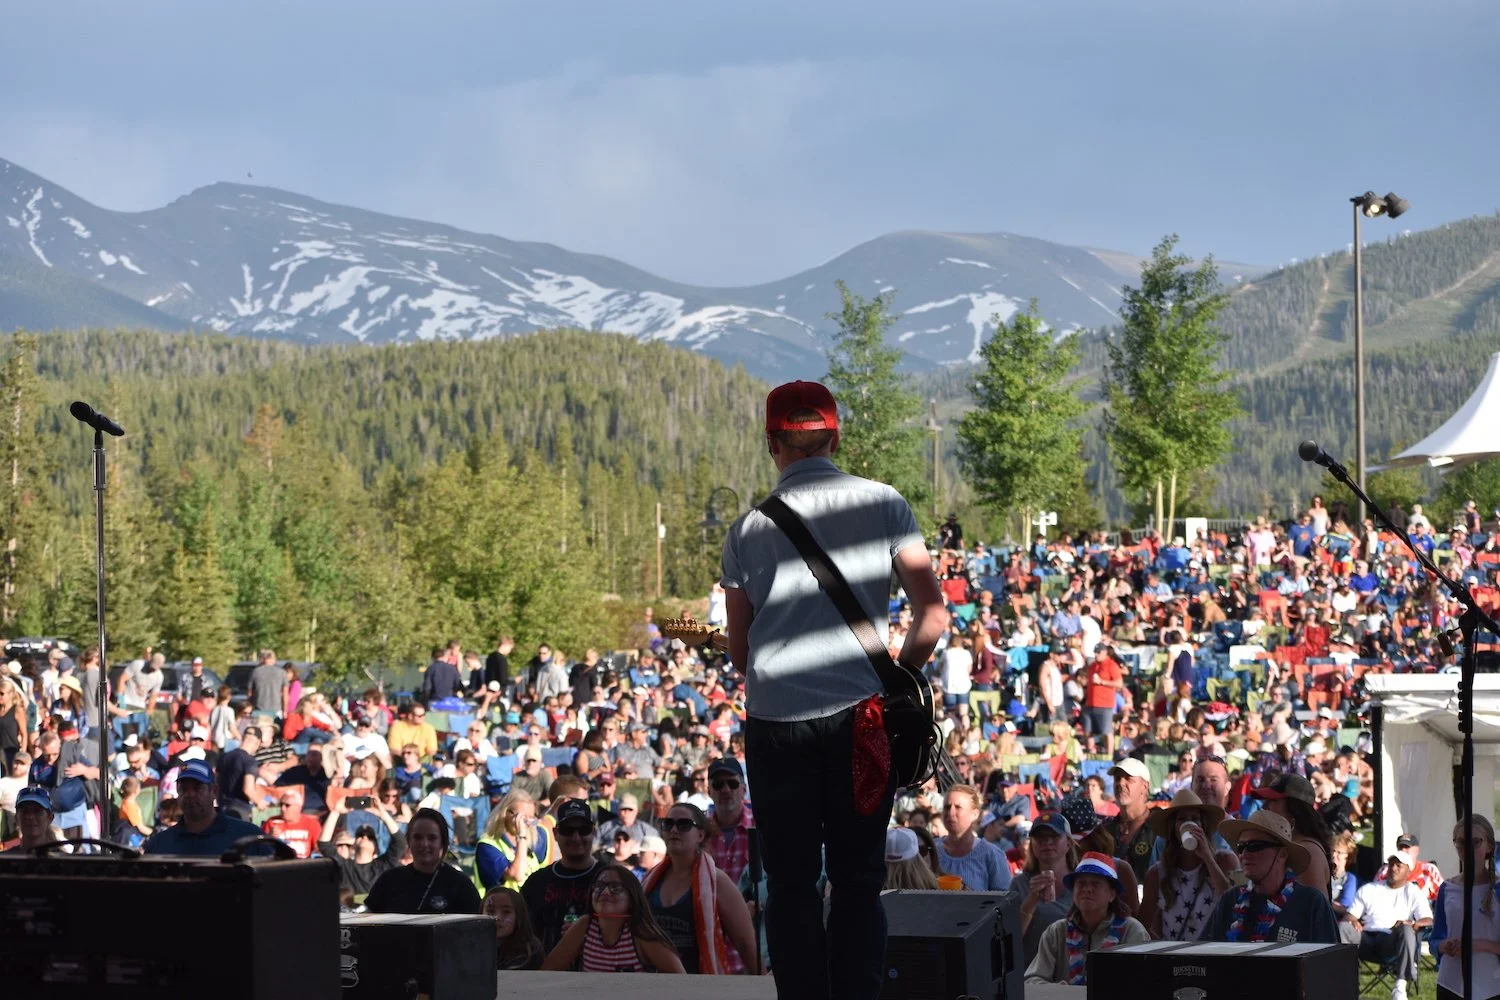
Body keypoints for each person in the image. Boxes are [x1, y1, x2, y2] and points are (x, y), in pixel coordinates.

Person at [722, 379, 947, 999]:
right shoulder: (886, 503)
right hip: (863, 722)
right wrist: (896, 674)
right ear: (835, 434)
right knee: (857, 880)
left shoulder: (748, 530)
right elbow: (933, 616)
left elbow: (740, 651)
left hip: (776, 724)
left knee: (790, 884)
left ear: (772, 442)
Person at [642, 802, 758, 974]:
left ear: (701, 835)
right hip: (653, 988)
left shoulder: (717, 882)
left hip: (701, 988)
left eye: (684, 825)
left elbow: (747, 946)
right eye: (668, 824)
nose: (674, 830)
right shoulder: (650, 880)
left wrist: (766, 989)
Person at [1199, 811, 1338, 944]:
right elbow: (1203, 956)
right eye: (1241, 847)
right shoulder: (1230, 900)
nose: (1244, 853)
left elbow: (1330, 963)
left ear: (1282, 854)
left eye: (1255, 846)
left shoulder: (1311, 902)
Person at [1024, 852, 1149, 985]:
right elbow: (1031, 980)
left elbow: (1144, 984)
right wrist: (1057, 991)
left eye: (1096, 884)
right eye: (1081, 883)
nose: (1087, 889)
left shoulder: (1132, 931)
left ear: (1112, 895)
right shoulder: (1057, 931)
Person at [542, 862, 687, 973]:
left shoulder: (641, 933)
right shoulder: (585, 925)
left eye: (615, 888)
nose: (605, 892)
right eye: (599, 886)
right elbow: (548, 971)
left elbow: (681, 981)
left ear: (632, 897)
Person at [1138, 790, 1235, 942]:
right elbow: (1142, 927)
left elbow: (1235, 904)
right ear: (1172, 828)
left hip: (1216, 957)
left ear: (1204, 825)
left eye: (1195, 819)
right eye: (1182, 819)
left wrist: (1208, 857)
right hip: (1175, 961)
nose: (1189, 824)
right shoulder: (1157, 873)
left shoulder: (1224, 860)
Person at [1344, 848, 1433, 999]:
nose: (1393, 868)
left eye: (1399, 865)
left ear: (1408, 871)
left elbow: (1428, 920)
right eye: (1391, 864)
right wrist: (1352, 921)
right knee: (1344, 927)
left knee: (1406, 929)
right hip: (1366, 937)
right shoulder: (1370, 889)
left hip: (1392, 941)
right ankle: (1345, 984)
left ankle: (1400, 986)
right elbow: (1349, 915)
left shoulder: (1414, 892)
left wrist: (1412, 923)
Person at [1431, 815, 1500, 1000]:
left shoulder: (1497, 889)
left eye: (1475, 842)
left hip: (1491, 985)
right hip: (1451, 983)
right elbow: (1435, 939)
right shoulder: (1447, 888)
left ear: (1490, 846)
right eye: (1460, 842)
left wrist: (1476, 945)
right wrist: (1444, 946)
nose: (1466, 849)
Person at [364, 808, 481, 914]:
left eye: (432, 838)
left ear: (443, 842)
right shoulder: (389, 880)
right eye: (417, 837)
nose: (424, 844)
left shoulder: (461, 885)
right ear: (409, 841)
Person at [521, 798, 602, 951]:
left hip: (596, 970)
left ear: (593, 832)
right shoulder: (536, 883)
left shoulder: (611, 879)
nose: (576, 838)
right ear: (555, 833)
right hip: (545, 970)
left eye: (584, 830)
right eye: (567, 830)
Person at [142, 760, 266, 856]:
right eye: (184, 789)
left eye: (198, 788)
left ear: (214, 791)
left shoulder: (248, 837)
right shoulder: (159, 844)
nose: (190, 795)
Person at [1014, 810, 1082, 964]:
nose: (1047, 842)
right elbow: (1009, 939)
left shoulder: (1082, 882)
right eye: (1040, 837)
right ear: (1032, 844)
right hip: (1030, 976)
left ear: (1069, 842)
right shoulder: (1020, 884)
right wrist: (1031, 901)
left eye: (1055, 836)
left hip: (1073, 973)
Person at [1250, 772, 1333, 897]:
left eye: (1273, 800)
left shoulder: (1308, 852)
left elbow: (1317, 912)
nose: (1264, 806)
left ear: (1294, 808)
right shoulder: (1292, 844)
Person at [317, 797, 407, 898]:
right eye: (360, 835)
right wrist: (336, 812)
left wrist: (383, 814)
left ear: (376, 849)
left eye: (370, 837)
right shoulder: (344, 867)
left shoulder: (383, 866)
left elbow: (400, 842)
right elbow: (324, 844)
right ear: (353, 846)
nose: (364, 837)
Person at [935, 784, 1012, 891]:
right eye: (947, 807)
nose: (950, 813)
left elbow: (1005, 901)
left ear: (974, 814)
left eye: (958, 807)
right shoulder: (931, 850)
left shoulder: (991, 855)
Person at [475, 790, 542, 893]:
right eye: (522, 818)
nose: (527, 823)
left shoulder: (532, 844)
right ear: (505, 813)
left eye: (531, 818)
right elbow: (517, 875)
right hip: (501, 906)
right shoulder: (487, 846)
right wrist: (522, 837)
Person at [1104, 758, 1157, 882]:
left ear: (1144, 786)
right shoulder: (1106, 829)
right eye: (1117, 778)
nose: (1121, 783)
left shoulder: (1160, 827)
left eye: (1129, 778)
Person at [483, 885, 545, 971]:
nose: (497, 917)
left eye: (506, 912)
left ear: (519, 916)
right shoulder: (474, 947)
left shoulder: (528, 953)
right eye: (491, 911)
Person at [261, 786, 323, 859]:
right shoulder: (272, 822)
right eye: (281, 805)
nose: (282, 809)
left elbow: (318, 849)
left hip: (303, 863)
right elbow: (261, 847)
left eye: (287, 805)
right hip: (278, 863)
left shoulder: (311, 824)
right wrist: (270, 836)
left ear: (299, 807)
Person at [3, 786, 58, 852]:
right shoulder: (5, 859)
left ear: (50, 818)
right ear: (16, 818)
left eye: (37, 811)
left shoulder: (63, 860)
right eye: (24, 811)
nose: (30, 817)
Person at [885, 826, 939, 891]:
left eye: (922, 849)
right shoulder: (936, 889)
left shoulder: (872, 891)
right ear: (918, 859)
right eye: (920, 850)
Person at [248, 649, 287, 720]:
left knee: (258, 730)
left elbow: (249, 693)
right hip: (276, 710)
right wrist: (285, 711)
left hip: (258, 709)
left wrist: (250, 708)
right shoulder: (282, 672)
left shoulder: (255, 672)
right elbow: (285, 694)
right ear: (274, 659)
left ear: (263, 659)